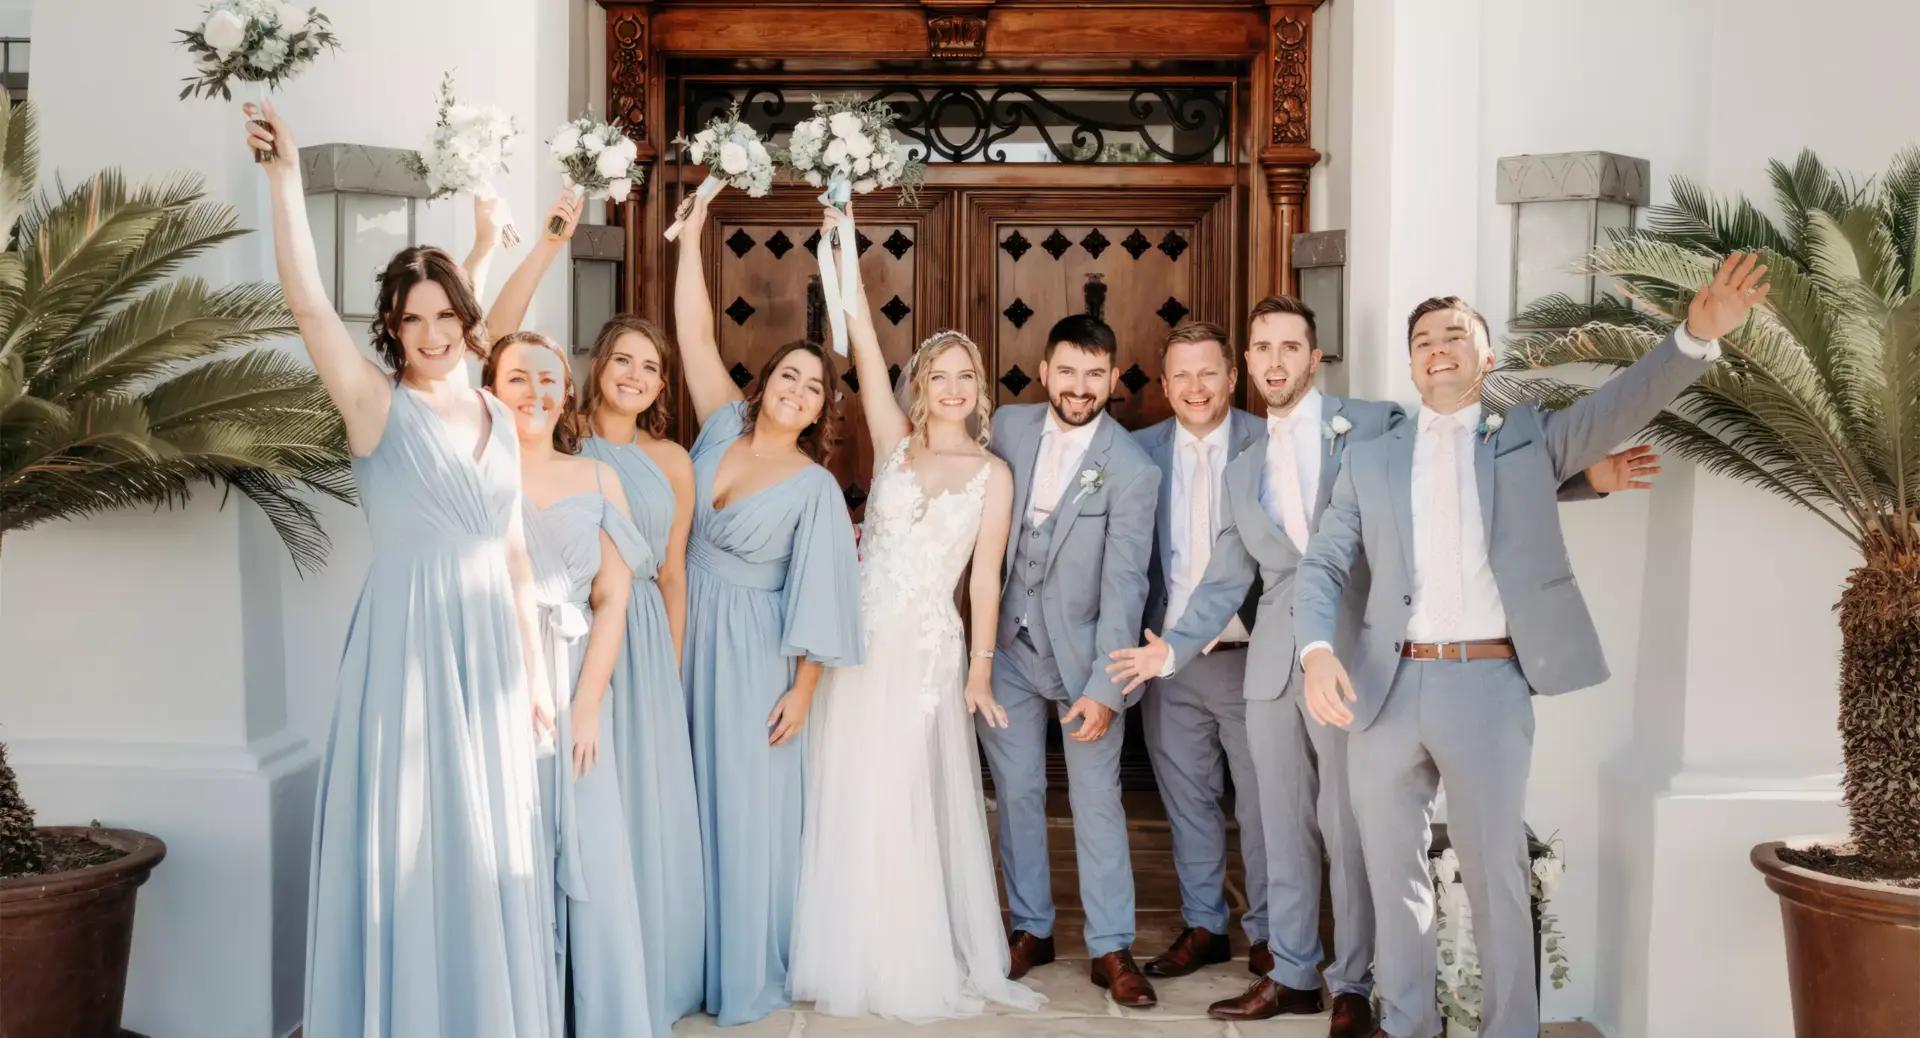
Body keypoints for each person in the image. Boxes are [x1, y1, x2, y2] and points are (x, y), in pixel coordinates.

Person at [1108, 297, 1659, 1036]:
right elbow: (1221, 578)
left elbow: (1461, 476)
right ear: (1252, 362)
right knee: (1280, 828)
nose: (1275, 360)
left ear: (1314, 356)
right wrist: (1170, 648)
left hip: (1368, 658)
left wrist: (1586, 481)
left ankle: (1353, 984)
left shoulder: (1373, 426)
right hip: (1276, 662)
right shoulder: (1244, 472)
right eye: (1263, 347)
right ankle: (1293, 973)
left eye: (1289, 346)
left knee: (1354, 829)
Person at [1294, 256, 1768, 1038]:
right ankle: (1407, 1024)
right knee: (1393, 878)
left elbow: (1615, 408)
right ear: (1409, 363)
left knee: (1495, 877)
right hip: (1381, 689)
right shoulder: (1368, 456)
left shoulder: (1523, 440)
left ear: (1488, 358)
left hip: (1485, 686)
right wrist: (1316, 649)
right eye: (1422, 340)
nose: (1437, 346)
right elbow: (1324, 562)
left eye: (1455, 334)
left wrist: (1691, 339)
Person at [248, 103, 558, 1036]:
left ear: (467, 322)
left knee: (484, 842)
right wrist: (285, 179)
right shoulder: (374, 407)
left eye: (444, 315)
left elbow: (510, 550)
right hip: (408, 650)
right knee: (419, 831)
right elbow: (306, 301)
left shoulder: (501, 418)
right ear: (391, 326)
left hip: (494, 660)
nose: (429, 332)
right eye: (410, 318)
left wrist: (537, 678)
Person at [789, 206, 1042, 1020]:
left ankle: (905, 954)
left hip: (928, 646)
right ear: (922, 387)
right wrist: (845, 232)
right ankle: (838, 944)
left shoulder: (994, 475)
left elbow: (986, 583)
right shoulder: (894, 441)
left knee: (902, 793)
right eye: (941, 375)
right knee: (842, 784)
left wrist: (979, 670)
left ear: (978, 389)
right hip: (856, 636)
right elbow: (862, 341)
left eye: (967, 376)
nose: (955, 388)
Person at [487, 197, 706, 1037]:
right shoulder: (561, 431)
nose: (637, 374)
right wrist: (545, 243)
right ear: (596, 366)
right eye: (624, 358)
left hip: (644, 641)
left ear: (660, 384)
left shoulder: (673, 459)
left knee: (637, 809)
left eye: (651, 367)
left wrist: (674, 676)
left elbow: (675, 571)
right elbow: (497, 345)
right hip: (576, 632)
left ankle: (642, 963)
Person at [672, 189, 865, 1025]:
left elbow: (820, 598)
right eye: (789, 374)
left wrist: (803, 690)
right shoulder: (716, 430)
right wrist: (687, 240)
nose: (798, 389)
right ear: (766, 382)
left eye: (814, 386)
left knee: (746, 816)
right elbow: (692, 334)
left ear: (824, 409)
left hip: (754, 654)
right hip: (676, 633)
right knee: (680, 805)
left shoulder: (816, 487)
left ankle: (744, 970)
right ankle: (681, 962)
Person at [980, 313, 1161, 1007]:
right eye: (1068, 371)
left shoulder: (1132, 469)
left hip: (1087, 660)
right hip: (1010, 651)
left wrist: (1105, 689)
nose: (1080, 386)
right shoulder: (1009, 428)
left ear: (1113, 379)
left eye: (1095, 374)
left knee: (1096, 802)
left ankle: (1111, 945)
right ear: (1045, 369)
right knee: (1018, 794)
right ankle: (1031, 927)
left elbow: (1127, 585)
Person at [484, 331, 653, 1037]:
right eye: (517, 378)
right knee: (508, 842)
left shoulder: (596, 479)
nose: (534, 392)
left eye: (547, 379)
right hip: (497, 674)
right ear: (490, 390)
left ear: (567, 392)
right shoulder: (477, 474)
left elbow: (612, 598)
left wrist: (588, 701)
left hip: (578, 674)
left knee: (591, 846)